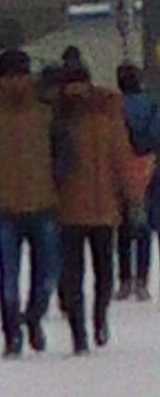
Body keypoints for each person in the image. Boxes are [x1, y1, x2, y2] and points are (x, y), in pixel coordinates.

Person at [0, 46, 60, 355]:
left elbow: (63, 151)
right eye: (11, 76)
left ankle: (32, 318)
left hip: (43, 202)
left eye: (21, 75)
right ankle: (13, 332)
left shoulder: (46, 112)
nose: (17, 82)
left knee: (45, 275)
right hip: (8, 206)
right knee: (13, 277)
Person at [53, 57, 135, 353]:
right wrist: (130, 197)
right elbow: (121, 158)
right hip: (91, 207)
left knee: (85, 272)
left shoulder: (62, 117)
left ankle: (88, 327)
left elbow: (120, 157)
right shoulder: (106, 116)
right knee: (94, 272)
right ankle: (91, 324)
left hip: (80, 208)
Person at [115, 61, 160, 299]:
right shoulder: (151, 104)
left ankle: (124, 279)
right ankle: (142, 280)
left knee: (123, 224)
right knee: (143, 224)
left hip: (121, 168)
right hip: (148, 166)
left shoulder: (113, 106)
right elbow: (156, 134)